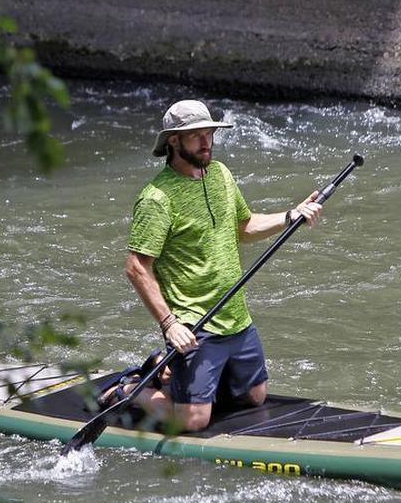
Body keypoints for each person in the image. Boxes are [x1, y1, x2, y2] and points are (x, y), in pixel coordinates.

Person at [108, 99, 322, 432]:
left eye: (209, 133)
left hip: (235, 314)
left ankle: (171, 372)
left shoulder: (221, 175)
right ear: (174, 142)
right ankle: (130, 389)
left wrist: (289, 216)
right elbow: (136, 266)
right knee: (193, 420)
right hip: (195, 323)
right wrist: (169, 324)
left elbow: (244, 226)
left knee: (255, 396)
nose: (206, 141)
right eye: (196, 135)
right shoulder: (157, 198)